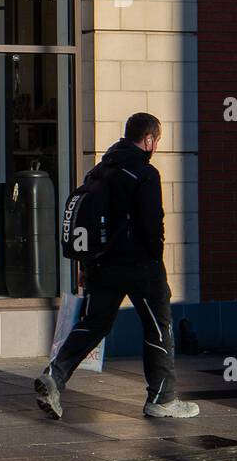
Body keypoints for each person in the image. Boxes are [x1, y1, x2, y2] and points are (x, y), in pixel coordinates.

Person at [35, 113, 200, 420]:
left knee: (93, 324)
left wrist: (86, 264)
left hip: (100, 265)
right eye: (157, 141)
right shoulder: (144, 174)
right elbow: (153, 225)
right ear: (149, 140)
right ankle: (162, 398)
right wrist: (155, 259)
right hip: (140, 267)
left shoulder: (100, 171)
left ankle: (54, 376)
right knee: (158, 326)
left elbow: (90, 221)